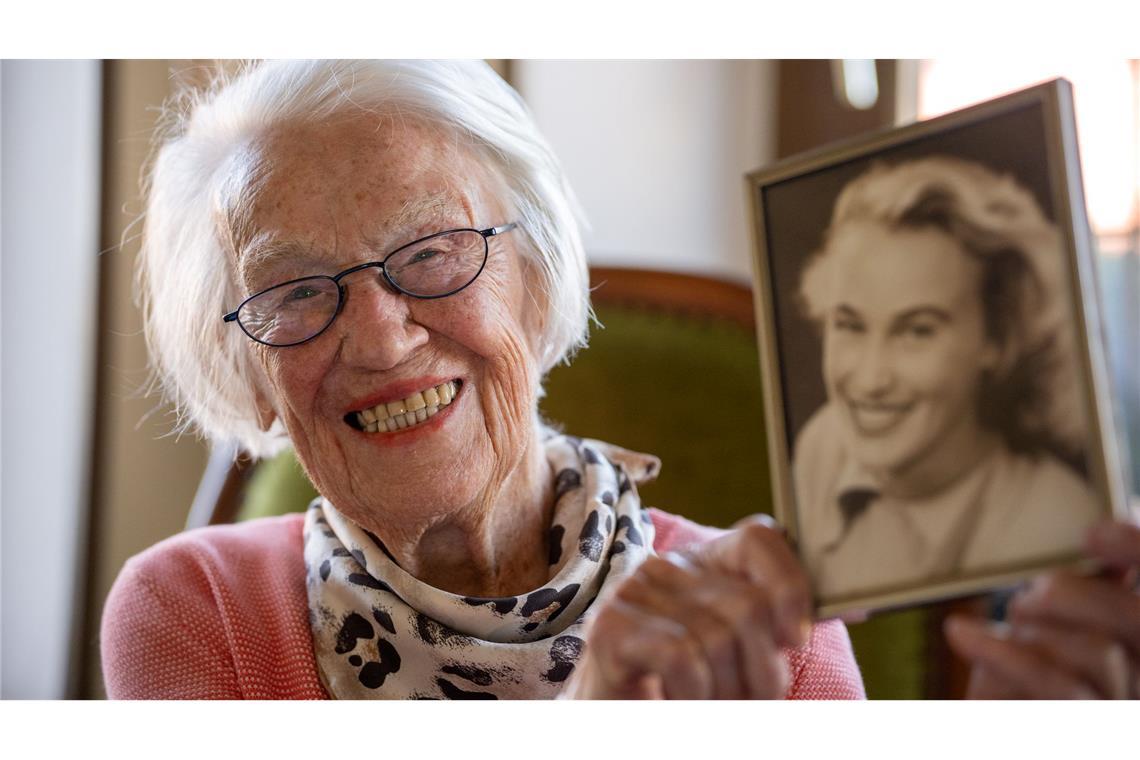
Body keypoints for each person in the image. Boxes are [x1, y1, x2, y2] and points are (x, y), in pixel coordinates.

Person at [101, 61, 1139, 700]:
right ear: (247, 365)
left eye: (431, 252)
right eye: (294, 290)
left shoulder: (773, 637)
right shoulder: (191, 617)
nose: (378, 336)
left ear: (540, 278)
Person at [793, 156, 1102, 600]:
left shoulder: (1058, 521)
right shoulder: (824, 447)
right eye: (850, 325)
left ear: (997, 336)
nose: (871, 378)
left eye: (918, 330)